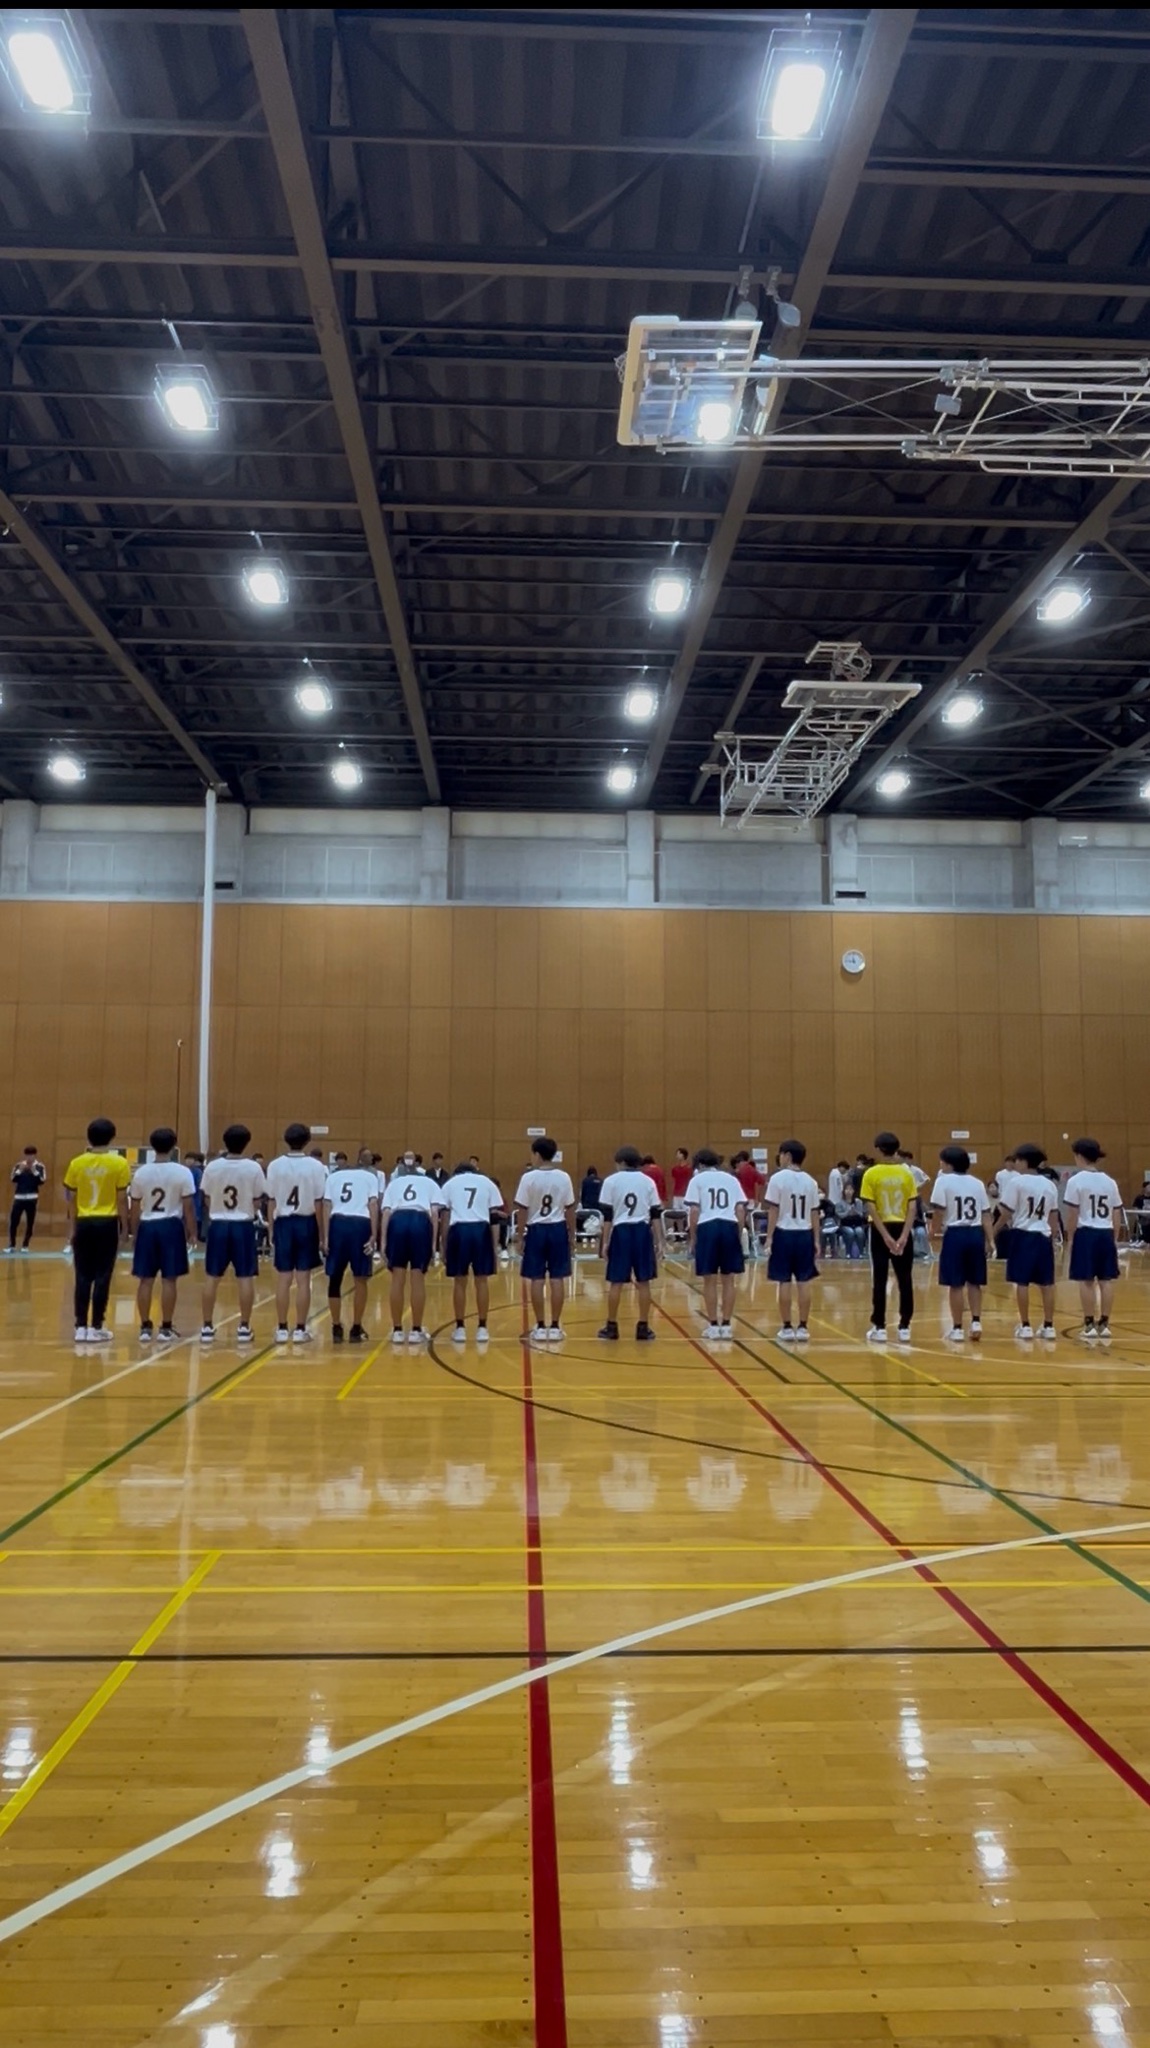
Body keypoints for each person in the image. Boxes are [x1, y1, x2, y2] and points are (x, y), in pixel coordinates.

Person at [63, 1118, 131, 1343]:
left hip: (84, 1222)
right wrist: (125, 1228)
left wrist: (72, 1228)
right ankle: (96, 1326)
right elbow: (121, 1199)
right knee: (103, 1275)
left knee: (82, 1275)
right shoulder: (119, 1163)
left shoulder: (77, 1163)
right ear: (112, 1138)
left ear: (88, 1137)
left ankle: (80, 1326)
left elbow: (71, 1199)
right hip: (107, 1222)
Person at [199, 1126, 267, 1345]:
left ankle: (207, 1327)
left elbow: (206, 1197)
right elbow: (258, 1200)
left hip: (218, 1224)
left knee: (212, 1277)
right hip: (243, 1226)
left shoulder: (212, 1167)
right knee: (245, 1277)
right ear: (246, 1143)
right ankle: (244, 1327)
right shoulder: (253, 1168)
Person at [128, 1128, 196, 1342]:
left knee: (145, 1279)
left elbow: (134, 1208)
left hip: (148, 1225)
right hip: (171, 1226)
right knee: (169, 1279)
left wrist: (134, 1233)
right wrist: (192, 1232)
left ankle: (145, 1327)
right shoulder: (182, 1172)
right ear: (174, 1146)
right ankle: (166, 1328)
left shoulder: (141, 1173)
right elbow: (188, 1207)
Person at [266, 1123, 328, 1345]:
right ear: (307, 1140)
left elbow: (271, 1200)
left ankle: (282, 1329)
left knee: (284, 1278)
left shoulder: (274, 1165)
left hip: (284, 1222)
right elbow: (319, 1203)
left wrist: (271, 1229)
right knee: (304, 1279)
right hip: (306, 1222)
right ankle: (300, 1329)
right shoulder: (316, 1166)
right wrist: (321, 1235)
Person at [515, 1136, 575, 1345]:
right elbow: (570, 1208)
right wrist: (572, 1234)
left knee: (537, 1279)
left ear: (537, 1154)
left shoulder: (528, 1178)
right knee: (557, 1278)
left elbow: (522, 1209)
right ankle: (555, 1326)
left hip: (537, 1230)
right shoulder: (564, 1177)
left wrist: (520, 1236)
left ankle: (540, 1326)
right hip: (558, 1228)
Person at [929, 1145, 993, 1343]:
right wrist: (990, 1239)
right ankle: (976, 1321)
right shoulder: (977, 1183)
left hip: (955, 1234)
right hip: (975, 1233)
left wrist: (933, 1230)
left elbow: (939, 1211)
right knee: (974, 1282)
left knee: (955, 1284)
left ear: (949, 1164)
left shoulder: (943, 1181)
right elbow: (985, 1214)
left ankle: (957, 1328)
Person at [598, 1145, 661, 1343]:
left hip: (621, 1231)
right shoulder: (648, 1181)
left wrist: (605, 1242)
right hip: (642, 1231)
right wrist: (660, 1241)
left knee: (616, 1282)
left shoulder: (611, 1181)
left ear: (622, 1162)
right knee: (644, 1282)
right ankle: (643, 1327)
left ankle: (611, 1326)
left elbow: (607, 1216)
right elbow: (655, 1214)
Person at [684, 1147, 747, 1341]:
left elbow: (694, 1210)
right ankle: (726, 1325)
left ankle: (713, 1325)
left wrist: (693, 1237)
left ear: (700, 1164)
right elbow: (740, 1209)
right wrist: (738, 1233)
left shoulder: (697, 1180)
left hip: (707, 1226)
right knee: (729, 1279)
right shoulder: (731, 1179)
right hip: (729, 1225)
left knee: (709, 1279)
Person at [997, 1142, 1059, 1341]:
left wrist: (993, 1231)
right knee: (1046, 1283)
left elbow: (1006, 1212)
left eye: (1017, 1160)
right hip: (1043, 1235)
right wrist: (1053, 1237)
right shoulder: (1049, 1185)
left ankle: (1025, 1325)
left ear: (1024, 1162)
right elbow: (1053, 1216)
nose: (1015, 1163)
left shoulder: (1017, 1183)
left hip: (1023, 1234)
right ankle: (1049, 1326)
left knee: (1022, 1282)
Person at [860, 1133, 918, 1343]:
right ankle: (904, 1326)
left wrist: (885, 1236)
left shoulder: (871, 1173)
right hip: (902, 1227)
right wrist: (903, 1236)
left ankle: (880, 1327)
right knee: (905, 1278)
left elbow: (871, 1207)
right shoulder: (906, 1173)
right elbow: (912, 1207)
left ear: (878, 1149)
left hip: (880, 1230)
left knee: (880, 1278)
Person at [1064, 1136, 1122, 1339]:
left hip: (1086, 1233)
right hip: (1105, 1233)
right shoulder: (1110, 1182)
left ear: (1079, 1156)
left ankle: (1089, 1325)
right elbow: (1116, 1212)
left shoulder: (1075, 1181)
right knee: (1106, 1280)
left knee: (1086, 1280)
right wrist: (1114, 1238)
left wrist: (1070, 1238)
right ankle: (1104, 1324)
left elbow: (1072, 1214)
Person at [440, 1159, 503, 1343]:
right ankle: (482, 1328)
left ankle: (460, 1328)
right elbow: (495, 1219)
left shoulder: (450, 1183)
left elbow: (445, 1217)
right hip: (481, 1230)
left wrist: (443, 1245)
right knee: (481, 1281)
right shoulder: (487, 1182)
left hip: (459, 1230)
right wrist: (495, 1247)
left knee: (460, 1282)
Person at [381, 1160, 444, 1344]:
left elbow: (386, 1213)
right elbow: (434, 1214)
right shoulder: (429, 1182)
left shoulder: (394, 1184)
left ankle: (397, 1331)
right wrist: (433, 1244)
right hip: (420, 1221)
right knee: (417, 1278)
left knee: (397, 1278)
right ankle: (416, 1330)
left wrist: (383, 1242)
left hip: (398, 1221)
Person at [765, 1140, 821, 1342]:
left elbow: (773, 1210)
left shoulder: (777, 1179)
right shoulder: (811, 1181)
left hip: (784, 1233)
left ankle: (787, 1327)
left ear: (787, 1156)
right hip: (804, 1234)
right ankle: (803, 1327)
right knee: (804, 1281)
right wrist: (816, 1239)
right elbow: (814, 1213)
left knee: (784, 1281)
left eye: (781, 1154)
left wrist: (769, 1237)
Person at [321, 1153, 380, 1344]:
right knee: (360, 1278)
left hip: (337, 1224)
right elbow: (373, 1204)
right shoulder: (371, 1177)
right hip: (360, 1225)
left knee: (335, 1278)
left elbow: (326, 1205)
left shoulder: (333, 1177)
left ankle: (336, 1327)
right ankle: (356, 1327)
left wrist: (325, 1237)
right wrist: (374, 1235)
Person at [8, 1145, 46, 1252]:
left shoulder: (40, 1166)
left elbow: (42, 1181)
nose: (29, 1157)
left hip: (32, 1198)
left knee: (30, 1222)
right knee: (14, 1221)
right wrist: (19, 1171)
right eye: (27, 1155)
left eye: (31, 1155)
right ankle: (12, 1245)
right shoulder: (18, 1165)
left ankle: (25, 1245)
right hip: (19, 1198)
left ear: (35, 1156)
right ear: (25, 1155)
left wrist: (34, 1171)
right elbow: (13, 1179)